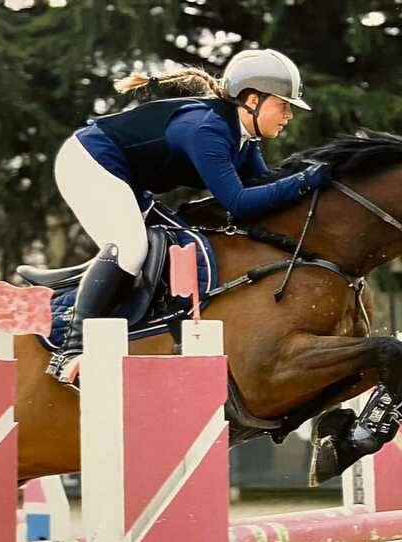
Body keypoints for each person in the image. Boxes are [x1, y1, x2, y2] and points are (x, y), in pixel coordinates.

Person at [47, 49, 331, 383]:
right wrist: (302, 182)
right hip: (88, 163)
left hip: (124, 177)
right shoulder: (206, 130)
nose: (288, 116)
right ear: (253, 100)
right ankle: (71, 347)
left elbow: (263, 188)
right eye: (283, 106)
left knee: (180, 246)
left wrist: (310, 180)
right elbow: (238, 202)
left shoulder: (243, 138)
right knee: (131, 247)